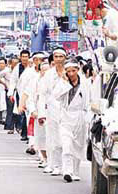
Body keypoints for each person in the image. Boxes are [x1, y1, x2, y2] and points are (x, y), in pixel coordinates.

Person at [54, 59, 90, 183]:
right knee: (67, 144)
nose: (71, 74)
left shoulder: (85, 83)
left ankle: (75, 171)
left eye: (73, 71)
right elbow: (56, 96)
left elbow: (88, 101)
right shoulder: (62, 82)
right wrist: (65, 83)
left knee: (78, 146)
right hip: (66, 116)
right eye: (68, 71)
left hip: (80, 117)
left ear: (78, 70)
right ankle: (67, 171)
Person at [39, 48, 67, 176]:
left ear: (65, 58)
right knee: (53, 139)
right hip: (51, 110)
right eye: (56, 57)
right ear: (53, 59)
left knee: (66, 139)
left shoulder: (70, 73)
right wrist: (41, 114)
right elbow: (42, 94)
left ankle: (67, 167)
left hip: (67, 110)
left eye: (61, 56)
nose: (59, 59)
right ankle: (54, 164)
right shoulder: (48, 75)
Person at [18, 52, 45, 155]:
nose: (39, 62)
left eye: (42, 60)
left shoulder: (47, 73)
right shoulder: (28, 73)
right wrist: (22, 102)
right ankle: (32, 145)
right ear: (34, 60)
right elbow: (23, 88)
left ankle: (40, 149)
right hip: (30, 103)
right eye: (37, 59)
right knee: (31, 124)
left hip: (43, 106)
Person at [7, 50, 31, 140]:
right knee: (22, 113)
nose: (25, 58)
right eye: (23, 56)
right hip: (20, 93)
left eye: (26, 56)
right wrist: (10, 93)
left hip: (31, 93)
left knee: (29, 113)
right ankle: (24, 133)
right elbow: (13, 81)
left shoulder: (32, 67)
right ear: (20, 57)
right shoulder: (17, 68)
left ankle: (27, 133)